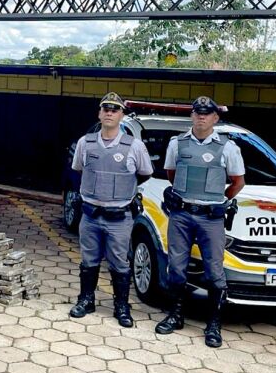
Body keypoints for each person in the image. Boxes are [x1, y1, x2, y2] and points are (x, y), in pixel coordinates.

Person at [155, 96, 245, 348]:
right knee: (176, 267)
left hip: (211, 218)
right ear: (192, 116)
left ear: (215, 118)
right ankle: (175, 315)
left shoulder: (228, 147)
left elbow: (238, 182)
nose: (201, 117)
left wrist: (218, 200)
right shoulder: (177, 143)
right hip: (181, 215)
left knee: (215, 272)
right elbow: (172, 174)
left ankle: (213, 325)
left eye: (207, 113)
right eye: (197, 112)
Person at [69, 92, 153, 327]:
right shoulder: (86, 143)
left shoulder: (134, 146)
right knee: (88, 260)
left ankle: (121, 306)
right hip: (91, 214)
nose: (109, 112)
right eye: (105, 108)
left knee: (120, 263)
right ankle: (86, 300)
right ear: (99, 113)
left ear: (121, 115)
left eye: (114, 109)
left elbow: (145, 173)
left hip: (119, 217)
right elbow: (78, 170)